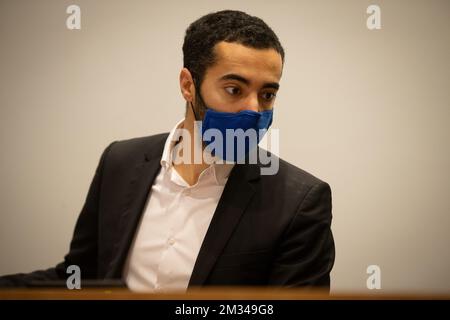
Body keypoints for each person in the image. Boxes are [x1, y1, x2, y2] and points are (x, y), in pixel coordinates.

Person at [0, 10, 335, 292]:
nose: (253, 110)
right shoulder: (120, 161)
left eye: (267, 95)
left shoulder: (300, 202)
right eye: (234, 89)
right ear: (188, 85)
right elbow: (80, 279)